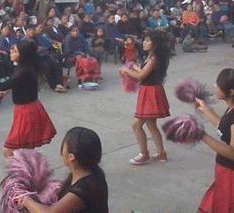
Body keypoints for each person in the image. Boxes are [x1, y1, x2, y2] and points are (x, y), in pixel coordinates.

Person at [0, 41, 56, 158]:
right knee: (27, 148)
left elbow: (3, 85)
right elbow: (19, 84)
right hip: (30, 108)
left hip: (26, 111)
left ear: (22, 55)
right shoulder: (26, 67)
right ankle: (28, 170)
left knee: (8, 150)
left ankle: (21, 171)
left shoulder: (23, 70)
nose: (11, 52)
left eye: (15, 51)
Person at [20, 127, 108, 213]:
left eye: (64, 145)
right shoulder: (91, 174)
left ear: (71, 156)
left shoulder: (85, 188)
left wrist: (25, 199)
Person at [120, 30, 170, 165]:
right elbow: (144, 72)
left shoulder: (154, 59)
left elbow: (141, 75)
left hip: (150, 93)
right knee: (151, 124)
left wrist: (126, 70)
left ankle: (144, 153)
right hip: (150, 90)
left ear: (156, 43)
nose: (144, 42)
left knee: (136, 124)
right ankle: (161, 153)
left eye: (148, 40)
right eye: (144, 40)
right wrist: (134, 66)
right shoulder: (152, 56)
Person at [195, 68, 234, 213]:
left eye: (218, 85)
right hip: (224, 174)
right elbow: (224, 127)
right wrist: (204, 108)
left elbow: (232, 152)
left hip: (230, 177)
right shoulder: (231, 109)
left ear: (230, 92)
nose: (214, 86)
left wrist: (202, 136)